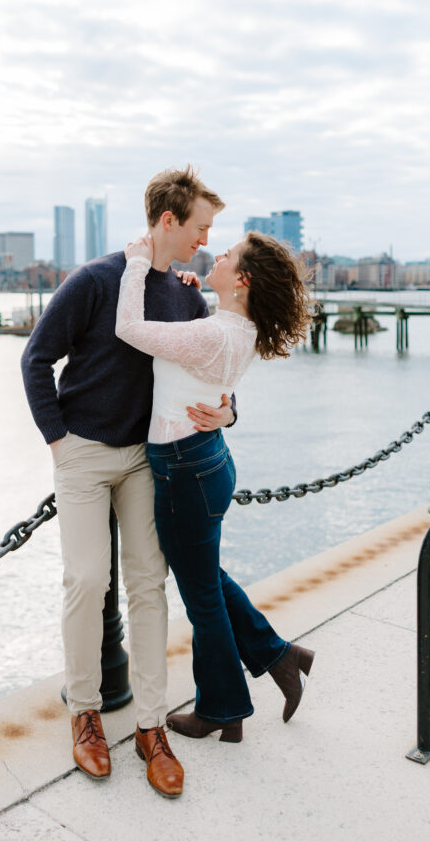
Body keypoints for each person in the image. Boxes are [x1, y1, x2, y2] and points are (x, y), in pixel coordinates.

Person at [20, 167, 236, 798]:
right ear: (168, 221)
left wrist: (227, 413)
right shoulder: (95, 279)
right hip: (83, 453)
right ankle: (85, 712)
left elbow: (212, 376)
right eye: (200, 225)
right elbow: (37, 357)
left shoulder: (188, 297)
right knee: (87, 578)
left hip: (147, 457)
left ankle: (149, 726)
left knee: (148, 583)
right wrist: (58, 440)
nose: (205, 238)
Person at [115, 229, 314, 742]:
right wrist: (191, 292)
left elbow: (130, 328)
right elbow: (204, 366)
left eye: (225, 257)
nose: (214, 255)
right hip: (204, 464)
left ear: (242, 279)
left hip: (184, 470)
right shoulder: (232, 327)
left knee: (202, 594)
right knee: (207, 582)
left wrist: (138, 265)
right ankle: (278, 656)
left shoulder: (215, 334)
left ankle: (223, 708)